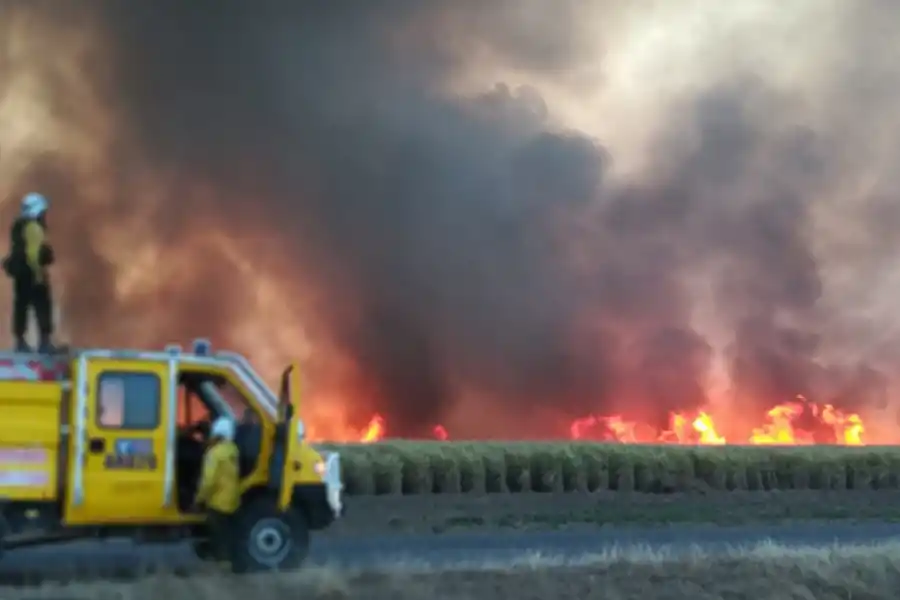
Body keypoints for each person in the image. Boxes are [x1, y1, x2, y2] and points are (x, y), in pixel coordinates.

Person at [3, 192, 55, 353]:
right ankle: (44, 343)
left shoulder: (19, 226)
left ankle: (20, 342)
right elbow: (33, 253)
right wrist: (39, 275)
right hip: (32, 275)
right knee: (42, 307)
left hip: (21, 276)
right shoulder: (33, 227)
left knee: (21, 307)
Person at [194, 416, 241, 565]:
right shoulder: (233, 450)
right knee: (227, 532)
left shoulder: (214, 454)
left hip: (218, 502)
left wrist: (199, 499)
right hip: (232, 500)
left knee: (217, 534)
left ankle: (222, 562)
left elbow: (208, 482)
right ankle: (228, 558)